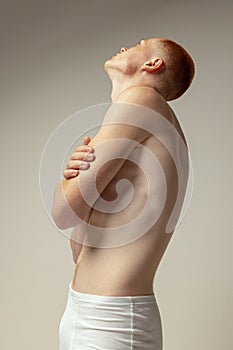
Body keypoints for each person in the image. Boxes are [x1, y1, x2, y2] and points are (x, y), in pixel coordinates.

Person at [53, 37, 195, 349]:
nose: (123, 47)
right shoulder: (147, 124)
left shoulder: (142, 100)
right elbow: (80, 249)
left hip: (110, 322)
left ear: (153, 64)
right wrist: (77, 176)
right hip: (91, 313)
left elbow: (61, 212)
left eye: (140, 44)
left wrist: (68, 185)